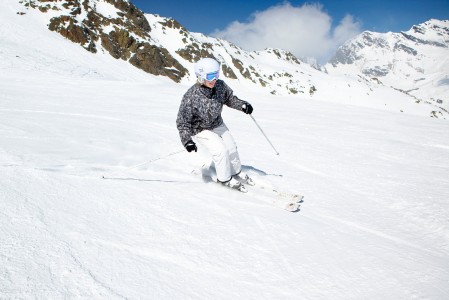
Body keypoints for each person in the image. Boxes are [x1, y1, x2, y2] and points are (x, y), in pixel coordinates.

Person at [176, 57, 254, 191]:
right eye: (211, 76)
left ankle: (236, 171)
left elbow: (230, 99)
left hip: (217, 123)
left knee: (231, 147)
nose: (214, 79)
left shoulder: (220, 86)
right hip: (200, 128)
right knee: (220, 150)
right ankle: (224, 179)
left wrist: (242, 105)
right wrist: (187, 141)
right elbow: (182, 122)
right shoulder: (191, 96)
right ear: (201, 76)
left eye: (216, 75)